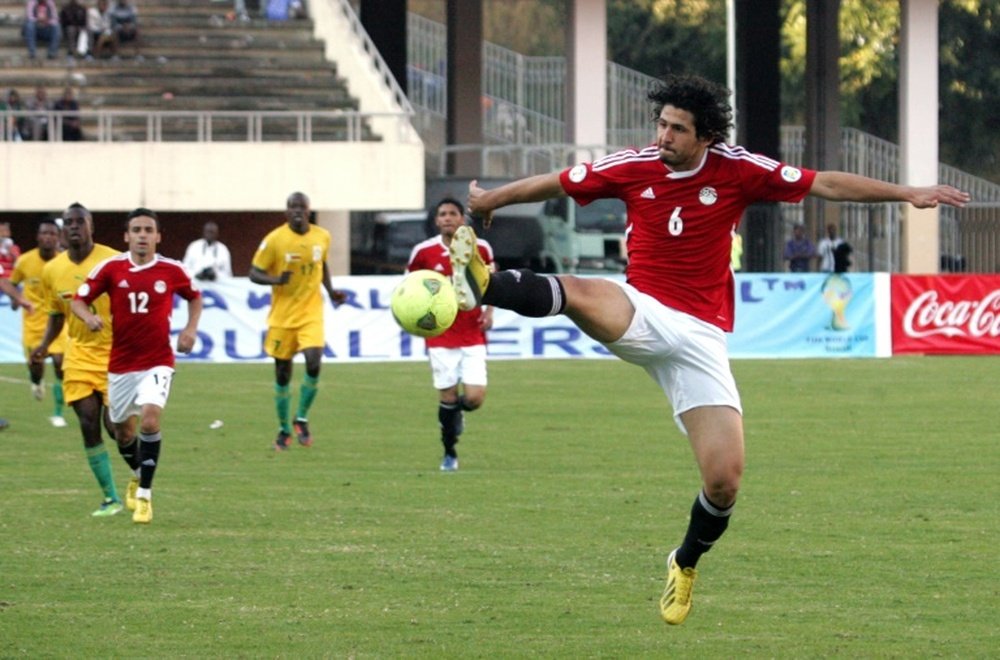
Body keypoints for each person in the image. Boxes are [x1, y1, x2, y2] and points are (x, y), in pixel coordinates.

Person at [455, 73, 970, 626]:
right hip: (643, 307)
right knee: (582, 293)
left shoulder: (738, 170)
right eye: (662, 124)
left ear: (705, 137)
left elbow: (827, 185)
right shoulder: (633, 165)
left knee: (724, 479)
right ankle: (487, 284)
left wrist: (908, 193)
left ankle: (684, 561)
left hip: (701, 335)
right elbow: (559, 181)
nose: (664, 136)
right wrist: (491, 200)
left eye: (677, 129)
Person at [71, 208, 202, 525]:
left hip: (158, 361)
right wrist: (88, 317)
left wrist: (190, 330)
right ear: (126, 236)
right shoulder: (111, 268)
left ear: (158, 236)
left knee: (150, 420)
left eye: (148, 230)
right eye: (137, 230)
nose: (142, 235)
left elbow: (194, 298)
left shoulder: (172, 270)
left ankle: (144, 495)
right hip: (121, 365)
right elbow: (78, 300)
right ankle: (136, 473)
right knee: (121, 432)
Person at [31, 203, 129, 517]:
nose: (74, 227)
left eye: (80, 222)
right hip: (79, 356)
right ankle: (111, 498)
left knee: (118, 429)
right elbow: (55, 314)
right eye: (69, 223)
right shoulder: (52, 270)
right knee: (89, 425)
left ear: (91, 226)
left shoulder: (113, 259)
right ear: (63, 230)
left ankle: (143, 479)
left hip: (115, 354)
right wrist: (44, 345)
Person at [249, 192, 347, 450]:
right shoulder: (274, 240)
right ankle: (284, 429)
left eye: (301, 207)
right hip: (282, 317)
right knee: (283, 373)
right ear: (286, 212)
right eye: (292, 207)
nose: (297, 211)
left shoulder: (322, 236)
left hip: (311, 313)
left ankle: (301, 417)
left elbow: (321, 264)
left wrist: (331, 291)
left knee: (314, 362)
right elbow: (254, 273)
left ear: (308, 211)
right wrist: (275, 280)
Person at [406, 198, 495, 472]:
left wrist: (490, 311)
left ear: (462, 219)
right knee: (446, 396)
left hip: (472, 331)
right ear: (436, 220)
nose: (447, 218)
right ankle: (449, 453)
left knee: (475, 398)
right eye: (442, 214)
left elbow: (492, 281)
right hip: (440, 335)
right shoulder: (424, 252)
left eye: (452, 213)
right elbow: (410, 288)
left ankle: (457, 413)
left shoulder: (480, 247)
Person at [9, 218, 69, 427]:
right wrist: (17, 299)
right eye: (45, 233)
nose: (48, 237)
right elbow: (11, 283)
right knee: (37, 367)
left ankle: (58, 413)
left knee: (61, 364)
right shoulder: (25, 261)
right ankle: (36, 382)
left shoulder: (65, 261)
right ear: (38, 236)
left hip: (58, 322)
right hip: (33, 325)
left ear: (59, 237)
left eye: (53, 234)